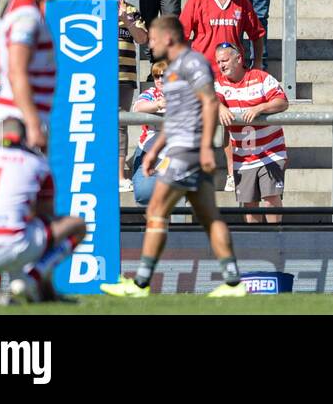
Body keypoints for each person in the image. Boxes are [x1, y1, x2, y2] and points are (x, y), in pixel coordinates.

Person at [100, 16, 247, 299]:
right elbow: (177, 116)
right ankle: (233, 283)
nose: (150, 44)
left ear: (168, 38)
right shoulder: (173, 70)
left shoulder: (192, 63)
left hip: (187, 152)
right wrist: (154, 150)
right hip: (182, 148)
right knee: (209, 218)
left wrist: (206, 147)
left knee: (156, 211)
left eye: (153, 38)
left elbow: (209, 101)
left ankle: (140, 284)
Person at [0, 119, 87, 307]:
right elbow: (46, 215)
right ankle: (31, 278)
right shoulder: (36, 162)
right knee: (78, 225)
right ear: (25, 138)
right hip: (11, 246)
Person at [0, 0, 65, 152]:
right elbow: (17, 71)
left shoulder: (18, 4)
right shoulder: (26, 14)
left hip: (22, 115)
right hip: (19, 119)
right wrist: (33, 124)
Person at [214, 41, 289, 223]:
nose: (221, 65)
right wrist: (219, 107)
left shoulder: (261, 77)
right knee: (249, 203)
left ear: (238, 58)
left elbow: (283, 102)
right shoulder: (219, 83)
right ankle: (256, 245)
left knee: (271, 198)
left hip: (270, 151)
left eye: (224, 60)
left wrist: (260, 108)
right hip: (243, 156)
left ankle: (275, 241)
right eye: (218, 62)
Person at [92, 0, 147, 192]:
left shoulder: (131, 9)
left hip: (125, 75)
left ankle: (120, 176)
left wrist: (126, 18)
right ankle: (98, 172)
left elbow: (142, 38)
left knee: (120, 125)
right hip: (97, 75)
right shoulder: (90, 7)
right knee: (98, 123)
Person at [179, 0, 265, 74]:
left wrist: (257, 63)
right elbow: (181, 35)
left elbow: (257, 34)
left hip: (233, 73)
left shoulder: (241, 1)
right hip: (203, 72)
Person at [129, 61, 167, 207]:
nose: (160, 80)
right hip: (148, 150)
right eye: (156, 76)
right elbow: (137, 107)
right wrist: (158, 105)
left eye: (164, 75)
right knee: (143, 194)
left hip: (174, 153)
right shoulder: (151, 93)